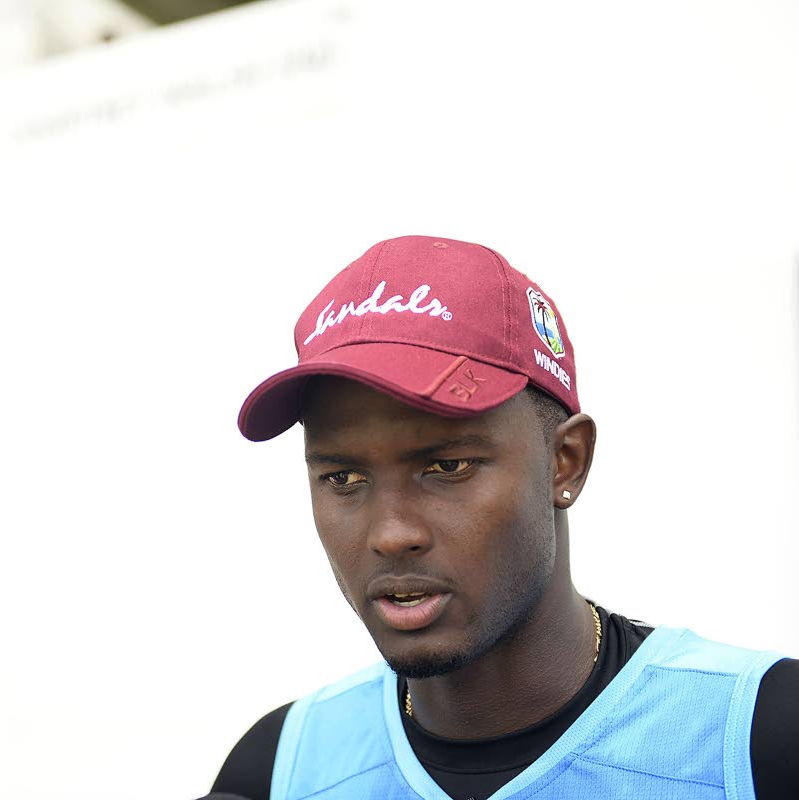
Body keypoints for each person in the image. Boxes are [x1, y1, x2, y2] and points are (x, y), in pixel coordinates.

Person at [197, 236, 798, 800]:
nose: (392, 534)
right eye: (343, 479)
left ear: (565, 461)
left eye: (447, 466)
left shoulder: (758, 740)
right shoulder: (280, 771)